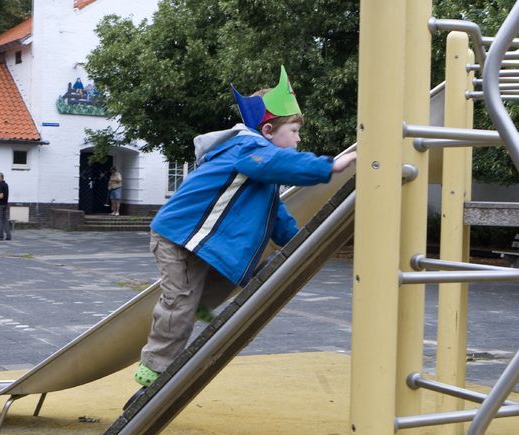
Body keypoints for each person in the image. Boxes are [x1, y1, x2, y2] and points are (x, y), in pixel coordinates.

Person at [134, 66, 357, 388]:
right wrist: (329, 165)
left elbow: (274, 213)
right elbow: (280, 164)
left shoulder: (260, 170)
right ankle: (154, 368)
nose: (298, 138)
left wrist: (297, 242)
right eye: (293, 131)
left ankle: (198, 309)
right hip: (177, 237)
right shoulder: (248, 149)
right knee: (178, 300)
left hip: (202, 244)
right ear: (268, 131)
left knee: (233, 273)